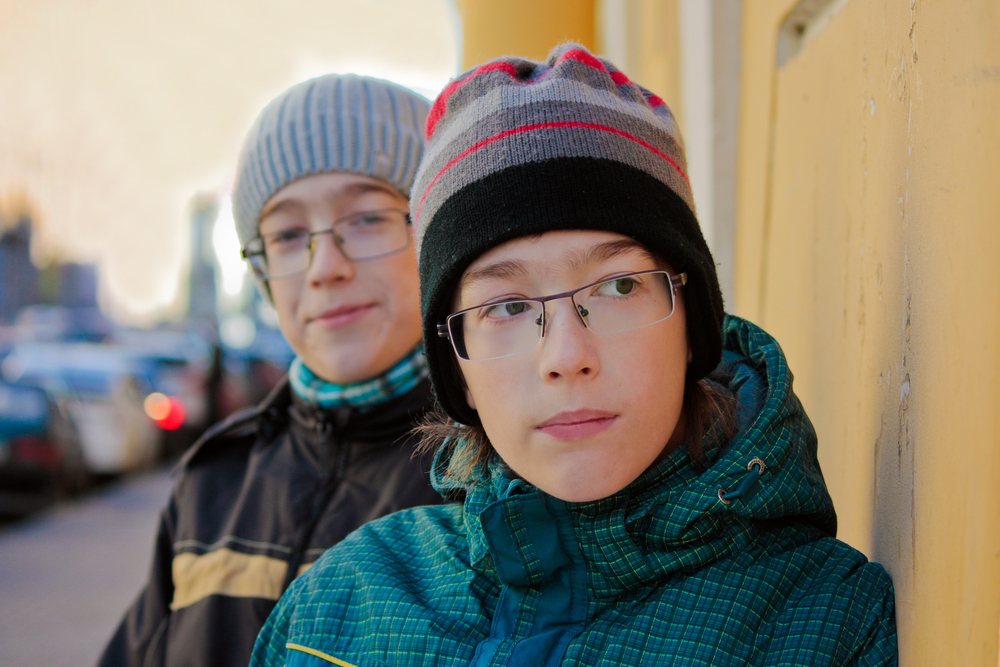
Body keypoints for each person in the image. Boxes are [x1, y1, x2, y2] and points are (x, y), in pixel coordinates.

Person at [250, 45, 898, 666]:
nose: (566, 354)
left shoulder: (825, 624)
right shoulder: (337, 609)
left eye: (618, 287)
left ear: (692, 326)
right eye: (505, 306)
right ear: (460, 368)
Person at [98, 74, 444, 667]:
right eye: (287, 234)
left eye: (365, 219)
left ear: (438, 235)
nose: (323, 267)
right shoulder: (214, 485)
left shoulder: (492, 480)